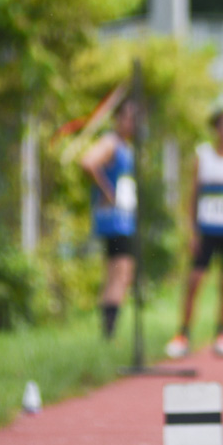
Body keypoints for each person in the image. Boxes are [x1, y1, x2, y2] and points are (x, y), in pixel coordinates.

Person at [166, 110, 223, 359]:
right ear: (215, 128)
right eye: (221, 125)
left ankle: (222, 334)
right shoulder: (203, 155)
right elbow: (193, 194)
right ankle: (182, 334)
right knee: (194, 281)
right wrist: (191, 230)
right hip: (206, 231)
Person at [80, 99, 138, 339]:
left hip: (124, 218)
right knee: (120, 271)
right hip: (115, 220)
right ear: (118, 118)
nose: (132, 123)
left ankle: (109, 329)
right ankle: (108, 331)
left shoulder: (126, 146)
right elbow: (87, 162)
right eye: (128, 117)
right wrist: (107, 192)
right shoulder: (111, 142)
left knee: (120, 271)